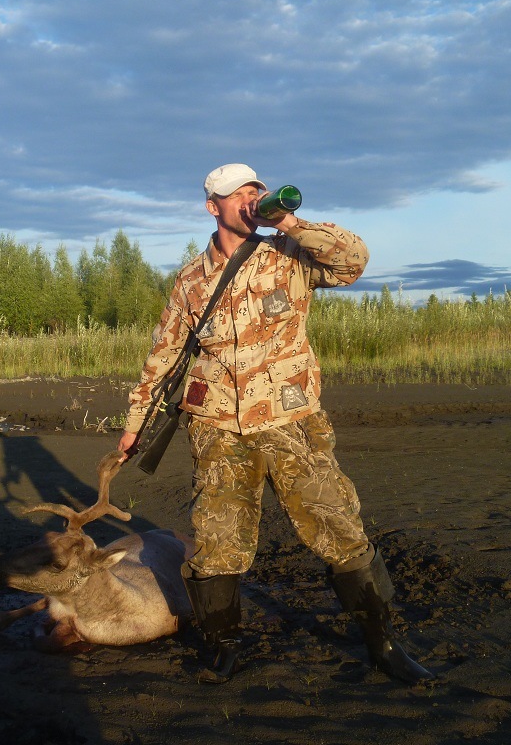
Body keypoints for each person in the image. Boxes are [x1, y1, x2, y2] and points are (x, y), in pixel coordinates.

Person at [117, 163, 432, 685]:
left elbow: (354, 260)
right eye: (237, 193)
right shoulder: (191, 280)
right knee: (218, 539)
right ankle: (224, 646)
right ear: (212, 206)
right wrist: (136, 422)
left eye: (255, 190)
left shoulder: (291, 254)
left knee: (337, 524)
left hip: (291, 419)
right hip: (215, 425)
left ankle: (383, 644)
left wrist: (287, 221)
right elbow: (165, 354)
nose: (250, 198)